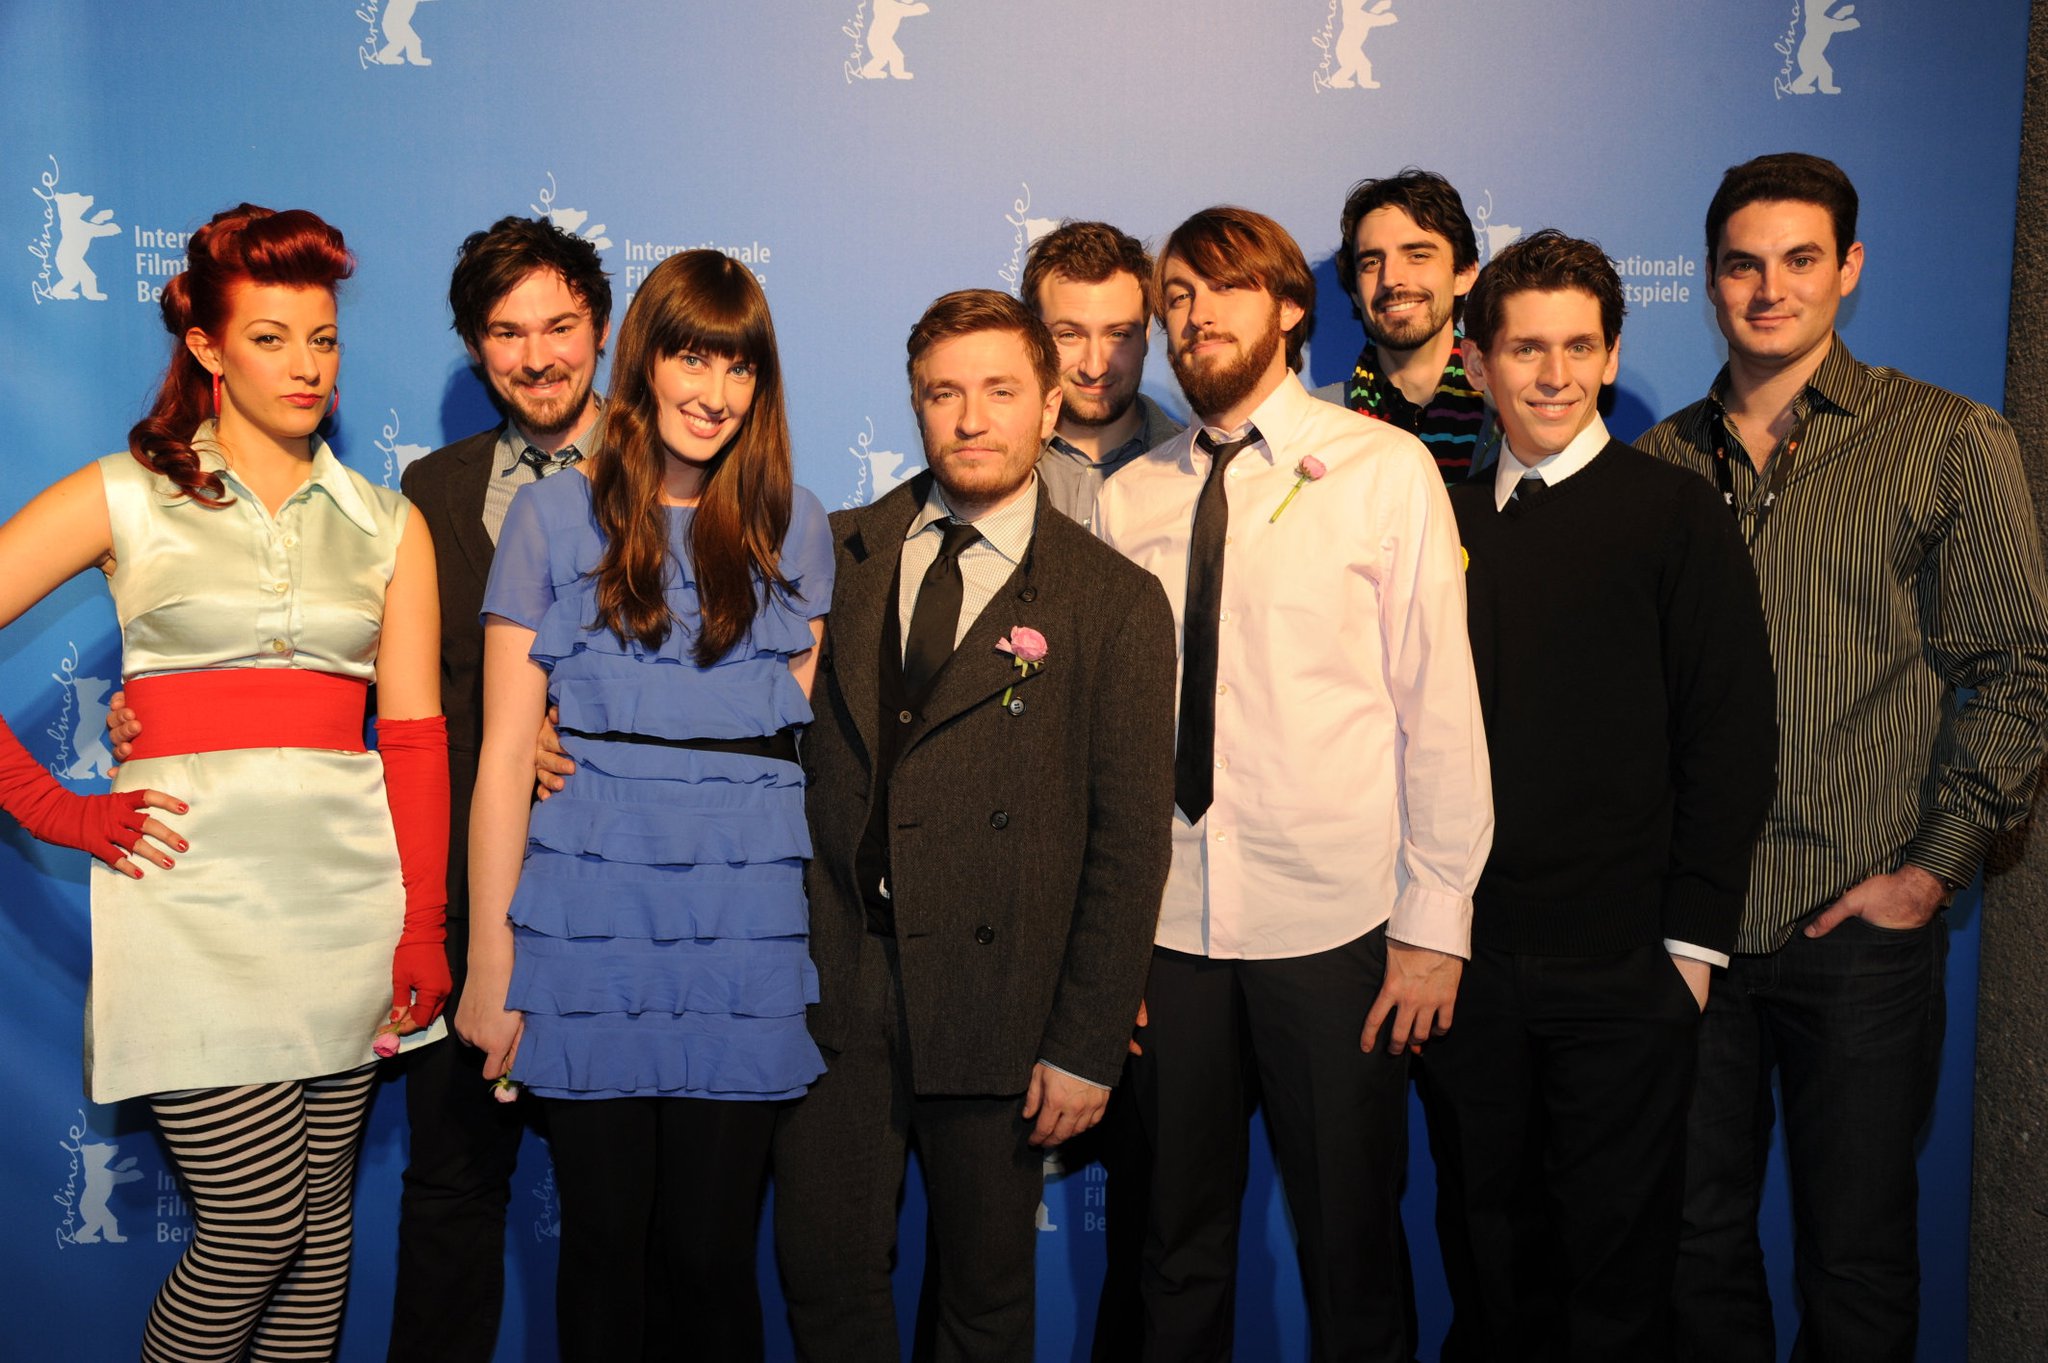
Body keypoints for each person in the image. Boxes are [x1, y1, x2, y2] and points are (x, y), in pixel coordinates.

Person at [0, 202, 449, 1360]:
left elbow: (410, 737)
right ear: (204, 345)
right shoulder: (123, 493)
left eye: (324, 338)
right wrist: (55, 806)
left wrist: (421, 928)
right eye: (271, 337)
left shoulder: (388, 521)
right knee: (252, 1227)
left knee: (322, 1230)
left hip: (349, 905)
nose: (306, 366)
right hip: (192, 908)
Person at [1637, 152, 2048, 1362]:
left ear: (1848, 270)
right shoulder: (1655, 466)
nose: (1769, 290)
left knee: (1855, 1256)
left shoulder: (1945, 441)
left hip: (1858, 932)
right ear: (1709, 281)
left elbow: (2016, 666)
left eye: (1799, 260)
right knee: (1692, 1246)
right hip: (1687, 932)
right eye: (1741, 264)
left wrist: (1928, 871)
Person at [1095, 205, 1492, 1362]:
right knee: (1171, 1256)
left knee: (1351, 1254)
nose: (1193, 317)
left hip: (1336, 933)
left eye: (1221, 290)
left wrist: (1433, 924)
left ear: (1287, 308)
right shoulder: (1131, 498)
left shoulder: (1385, 471)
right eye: (1175, 297)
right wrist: (1106, 943)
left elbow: (1438, 710)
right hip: (1167, 931)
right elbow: (1112, 743)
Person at [772, 288, 1177, 1363]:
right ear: (912, 405)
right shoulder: (832, 556)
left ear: (1048, 406)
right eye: (942, 393)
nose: (969, 418)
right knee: (824, 1279)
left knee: (986, 1304)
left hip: (1001, 1000)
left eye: (999, 391)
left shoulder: (1114, 602)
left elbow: (1130, 840)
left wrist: (1087, 1043)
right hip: (832, 991)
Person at [458, 248, 831, 1363]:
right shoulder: (548, 519)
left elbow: (770, 742)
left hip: (742, 936)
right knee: (605, 1248)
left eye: (738, 364)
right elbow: (501, 758)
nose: (713, 390)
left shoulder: (792, 523)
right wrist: (489, 963)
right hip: (585, 925)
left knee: (714, 1258)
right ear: (644, 358)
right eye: (689, 354)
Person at [1428, 229, 1777, 1362]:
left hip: (1624, 968)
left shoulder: (1675, 515)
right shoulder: (1435, 518)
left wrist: (1688, 948)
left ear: (1613, 356)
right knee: (1485, 1254)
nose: (1552, 373)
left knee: (1616, 1274)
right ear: (1475, 363)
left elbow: (1727, 736)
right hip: (1464, 967)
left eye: (1578, 346)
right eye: (1524, 347)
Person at [389, 215, 610, 1363]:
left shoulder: (676, 470)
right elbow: (392, 682)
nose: (536, 356)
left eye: (559, 326)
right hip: (469, 906)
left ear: (602, 330)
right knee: (449, 1192)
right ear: (479, 349)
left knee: (618, 1225)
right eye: (506, 332)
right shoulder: (430, 487)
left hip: (624, 914)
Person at [1314, 168, 1498, 482]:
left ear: (1464, 274)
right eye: (1372, 262)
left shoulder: (1512, 413)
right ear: (1355, 293)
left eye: (1417, 255)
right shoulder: (1312, 423)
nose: (1391, 279)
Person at [1022, 220, 1184, 530]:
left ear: (1147, 334)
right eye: (1069, 335)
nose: (1095, 367)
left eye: (1118, 335)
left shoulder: (1197, 469)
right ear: (1032, 336)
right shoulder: (995, 462)